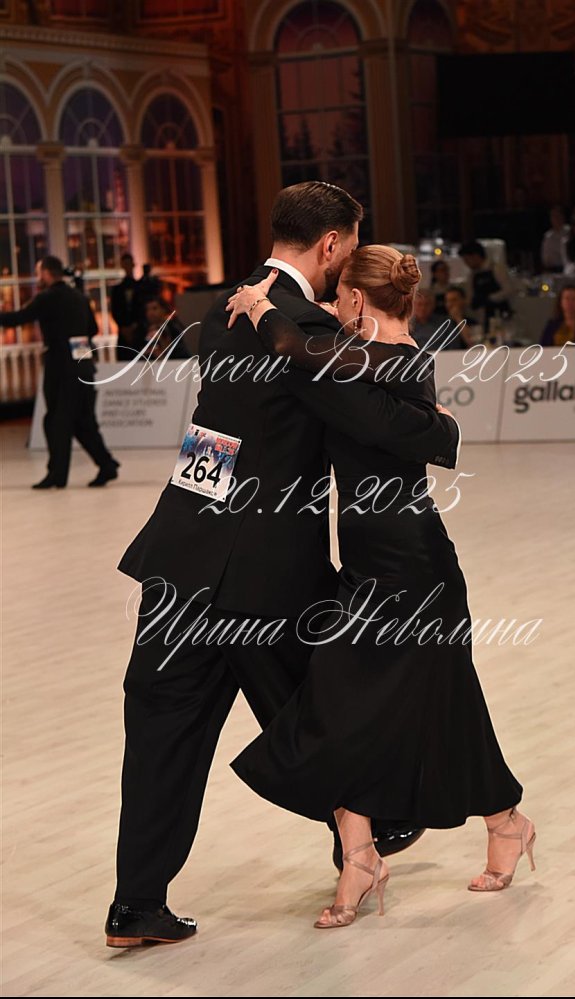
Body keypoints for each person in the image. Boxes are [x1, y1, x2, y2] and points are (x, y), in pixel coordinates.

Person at [105, 181, 461, 948]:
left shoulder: (221, 311)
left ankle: (135, 903)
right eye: (349, 246)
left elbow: (221, 436)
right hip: (267, 572)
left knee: (164, 727)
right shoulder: (303, 325)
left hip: (182, 555)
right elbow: (373, 417)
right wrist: (440, 428)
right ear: (331, 244)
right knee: (325, 701)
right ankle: (368, 833)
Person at [227, 248, 533, 929]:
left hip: (414, 570)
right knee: (394, 703)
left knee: (359, 703)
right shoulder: (370, 363)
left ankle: (463, 830)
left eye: (339, 296)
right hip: (376, 567)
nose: (333, 306)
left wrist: (261, 305)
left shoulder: (389, 362)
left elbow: (294, 350)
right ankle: (395, 845)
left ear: (359, 301)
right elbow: (316, 360)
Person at [0, 255, 119, 488]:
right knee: (82, 420)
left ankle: (57, 475)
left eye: (38, 273)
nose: (37, 278)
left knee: (56, 420)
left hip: (60, 368)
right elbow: (92, 328)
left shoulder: (47, 298)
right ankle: (106, 464)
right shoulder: (79, 297)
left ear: (46, 273)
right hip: (83, 366)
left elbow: (19, 318)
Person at [459, 240, 513, 332]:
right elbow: (470, 296)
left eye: (467, 260)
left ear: (475, 256)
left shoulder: (496, 268)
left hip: (500, 314)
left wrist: (489, 298)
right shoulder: (472, 275)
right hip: (482, 318)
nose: (466, 264)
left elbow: (509, 290)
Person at [110, 253, 144, 361]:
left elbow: (142, 309)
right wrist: (124, 327)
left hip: (137, 331)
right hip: (125, 331)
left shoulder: (140, 287)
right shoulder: (118, 290)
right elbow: (115, 310)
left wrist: (135, 325)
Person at [540, 205, 570, 272]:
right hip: (551, 270)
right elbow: (545, 259)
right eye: (553, 216)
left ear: (563, 217)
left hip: (566, 269)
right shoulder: (548, 236)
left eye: (558, 216)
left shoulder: (569, 233)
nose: (555, 219)